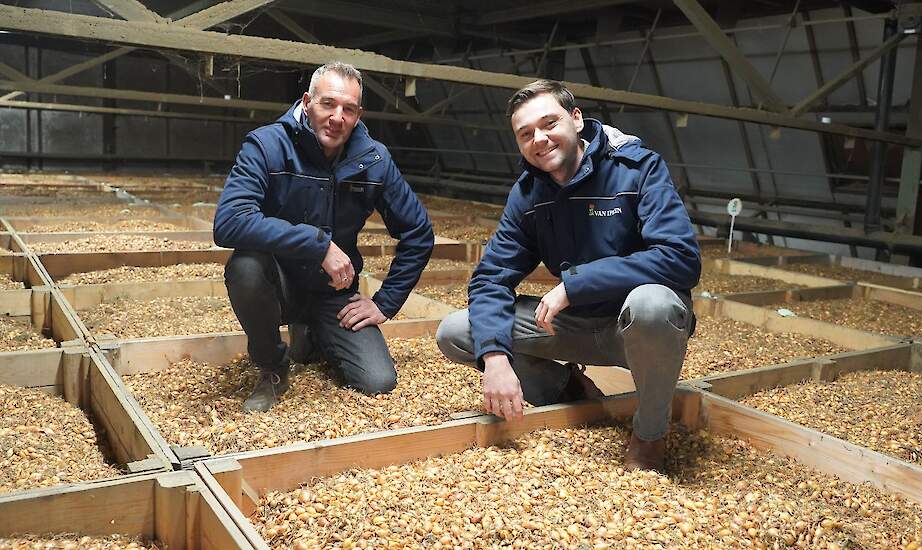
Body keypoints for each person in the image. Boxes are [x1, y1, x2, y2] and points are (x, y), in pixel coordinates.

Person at [436, 80, 700, 472]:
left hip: (629, 329)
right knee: (457, 332)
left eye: (549, 124)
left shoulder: (636, 168)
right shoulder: (528, 194)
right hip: (569, 328)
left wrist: (576, 285)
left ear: (576, 119)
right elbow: (491, 277)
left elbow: (680, 258)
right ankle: (570, 391)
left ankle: (649, 434)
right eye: (526, 134)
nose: (539, 139)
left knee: (653, 305)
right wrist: (494, 358)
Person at [214, 61, 434, 412]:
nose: (337, 117)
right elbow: (229, 222)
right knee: (245, 269)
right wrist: (318, 245)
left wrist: (385, 302)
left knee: (378, 382)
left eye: (349, 109)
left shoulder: (373, 159)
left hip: (333, 291)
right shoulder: (267, 145)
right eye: (328, 104)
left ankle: (314, 332)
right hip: (279, 283)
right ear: (306, 102)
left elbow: (419, 233)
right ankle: (272, 366)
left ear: (359, 115)